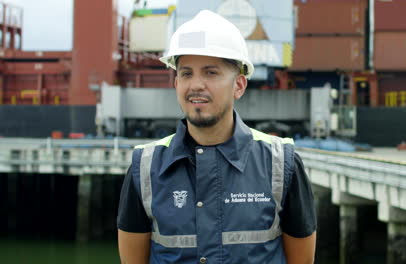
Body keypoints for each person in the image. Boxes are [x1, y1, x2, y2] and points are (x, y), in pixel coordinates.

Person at [117, 10, 317, 264]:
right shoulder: (144, 167)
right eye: (186, 73)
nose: (196, 84)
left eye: (211, 73)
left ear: (239, 85)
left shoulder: (282, 165)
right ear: (176, 83)